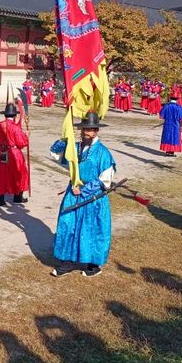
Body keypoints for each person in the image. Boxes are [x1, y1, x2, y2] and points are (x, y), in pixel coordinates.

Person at [50, 113, 116, 278]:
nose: (86, 132)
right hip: (73, 192)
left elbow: (106, 178)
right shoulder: (76, 148)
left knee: (91, 229)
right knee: (67, 223)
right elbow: (59, 157)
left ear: (95, 131)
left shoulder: (103, 153)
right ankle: (67, 262)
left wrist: (85, 190)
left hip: (92, 197)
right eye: (84, 129)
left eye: (90, 129)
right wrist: (63, 142)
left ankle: (93, 265)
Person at [0, 102, 29, 206]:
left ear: (5, 114)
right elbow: (22, 143)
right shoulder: (16, 127)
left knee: (1, 175)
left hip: (2, 152)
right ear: (14, 115)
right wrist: (27, 136)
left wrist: (0, 145)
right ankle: (17, 197)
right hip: (14, 153)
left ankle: (1, 200)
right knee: (19, 173)